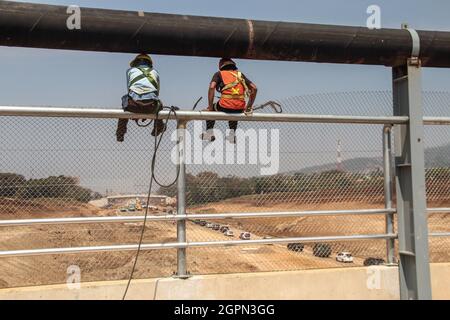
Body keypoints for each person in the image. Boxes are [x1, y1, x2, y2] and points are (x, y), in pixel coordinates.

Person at [201, 58, 258, 144]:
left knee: (212, 108)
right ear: (233, 65)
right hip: (239, 107)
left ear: (221, 66)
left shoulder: (219, 74)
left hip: (224, 105)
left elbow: (212, 87)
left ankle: (209, 133)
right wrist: (248, 107)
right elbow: (254, 88)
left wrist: (209, 107)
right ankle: (232, 135)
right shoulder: (240, 74)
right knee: (234, 111)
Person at [116, 54, 166, 142]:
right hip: (151, 106)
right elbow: (157, 92)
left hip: (133, 105)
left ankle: (120, 133)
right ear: (150, 63)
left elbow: (129, 89)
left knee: (124, 99)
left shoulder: (130, 71)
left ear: (135, 63)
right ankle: (158, 127)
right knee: (159, 104)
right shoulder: (155, 72)